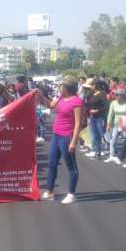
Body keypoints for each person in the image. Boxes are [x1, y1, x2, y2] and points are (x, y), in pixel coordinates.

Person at [42, 76, 84, 205]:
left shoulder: (77, 102)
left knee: (71, 167)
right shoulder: (61, 97)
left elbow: (78, 124)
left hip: (67, 137)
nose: (60, 87)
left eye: (62, 86)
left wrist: (73, 141)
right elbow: (50, 105)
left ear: (67, 87)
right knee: (52, 164)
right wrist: (40, 95)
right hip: (56, 135)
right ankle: (50, 192)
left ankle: (71, 194)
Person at [85, 79, 108, 159]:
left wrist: (97, 110)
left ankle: (108, 148)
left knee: (101, 133)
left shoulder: (102, 94)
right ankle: (97, 152)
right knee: (95, 135)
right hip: (92, 117)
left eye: (91, 85)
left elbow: (105, 107)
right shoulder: (92, 94)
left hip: (100, 117)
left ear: (95, 85)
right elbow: (88, 104)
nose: (90, 86)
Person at [105, 89, 126, 164]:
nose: (117, 96)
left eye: (118, 95)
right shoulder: (113, 103)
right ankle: (112, 155)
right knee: (113, 140)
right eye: (116, 95)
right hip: (116, 124)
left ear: (122, 96)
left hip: (125, 124)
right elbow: (110, 114)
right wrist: (108, 124)